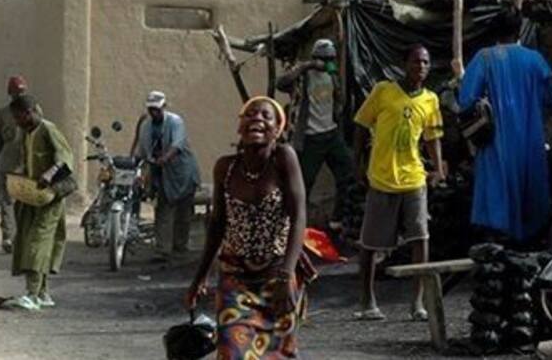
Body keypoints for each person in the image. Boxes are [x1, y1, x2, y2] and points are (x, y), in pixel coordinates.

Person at [183, 96, 312, 359]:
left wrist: (286, 275)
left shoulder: (284, 159)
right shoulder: (225, 168)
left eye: (266, 116)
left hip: (277, 273)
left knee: (278, 353)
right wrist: (200, 278)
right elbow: (218, 224)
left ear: (278, 129)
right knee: (232, 349)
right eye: (251, 114)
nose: (258, 119)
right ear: (240, 126)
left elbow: (299, 215)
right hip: (235, 276)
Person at [456, 11, 552, 242]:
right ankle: (526, 241)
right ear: (519, 31)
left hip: (495, 140)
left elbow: (466, 99)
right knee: (530, 189)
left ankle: (496, 242)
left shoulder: (484, 58)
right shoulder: (535, 59)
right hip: (530, 140)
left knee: (496, 189)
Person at [352, 45, 445, 321]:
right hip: (381, 178)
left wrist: (438, 168)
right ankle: (368, 302)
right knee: (370, 243)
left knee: (420, 238)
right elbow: (360, 124)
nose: (421, 67)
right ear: (404, 63)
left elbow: (432, 138)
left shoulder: (430, 100)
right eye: (416, 61)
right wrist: (357, 162)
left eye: (426, 62)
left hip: (413, 178)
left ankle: (418, 303)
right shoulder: (383, 91)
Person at [276, 38, 358, 230]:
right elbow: (281, 83)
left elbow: (340, 100)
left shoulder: (332, 75)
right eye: (325, 58)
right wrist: (307, 65)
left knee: (347, 172)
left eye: (331, 58)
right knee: (304, 184)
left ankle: (336, 219)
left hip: (331, 133)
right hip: (311, 137)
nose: (328, 62)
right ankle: (296, 225)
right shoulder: (303, 76)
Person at [5, 95, 73, 312]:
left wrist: (49, 175)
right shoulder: (27, 133)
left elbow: (64, 158)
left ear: (31, 112)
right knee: (29, 240)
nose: (17, 121)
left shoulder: (48, 130)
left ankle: (32, 294)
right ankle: (43, 293)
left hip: (51, 196)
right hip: (34, 196)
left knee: (38, 241)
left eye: (19, 117)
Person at [133, 91, 201, 262]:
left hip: (182, 172)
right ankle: (162, 250)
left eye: (157, 109)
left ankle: (180, 247)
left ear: (164, 107)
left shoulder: (175, 122)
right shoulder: (146, 126)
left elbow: (177, 144)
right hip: (161, 173)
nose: (154, 113)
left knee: (183, 213)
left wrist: (165, 157)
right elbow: (141, 150)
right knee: (163, 209)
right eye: (151, 109)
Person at [0, 76, 41, 254]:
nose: (19, 95)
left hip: (26, 165)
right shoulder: (3, 114)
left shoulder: (34, 110)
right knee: (7, 202)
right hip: (6, 164)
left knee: (24, 202)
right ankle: (8, 237)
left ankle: (23, 237)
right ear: (10, 93)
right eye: (16, 92)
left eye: (22, 92)